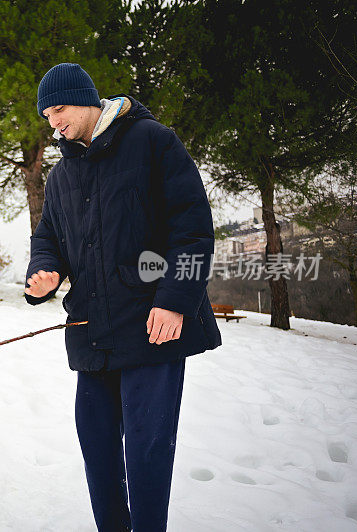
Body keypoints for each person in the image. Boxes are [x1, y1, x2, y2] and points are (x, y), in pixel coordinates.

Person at [25, 63, 222, 531]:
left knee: (147, 453)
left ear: (87, 100)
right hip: (92, 332)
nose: (53, 122)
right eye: (46, 115)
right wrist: (44, 272)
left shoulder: (152, 141)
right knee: (97, 451)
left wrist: (175, 300)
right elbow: (48, 238)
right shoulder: (61, 176)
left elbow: (193, 229)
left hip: (153, 327)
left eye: (59, 109)